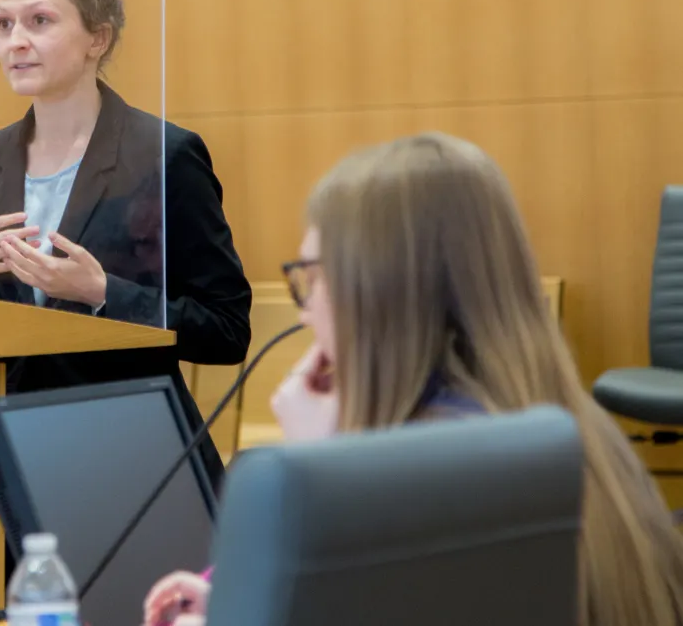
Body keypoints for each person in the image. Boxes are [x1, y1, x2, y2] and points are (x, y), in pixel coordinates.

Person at [143, 133, 683, 626]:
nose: (306, 312)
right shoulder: (581, 433)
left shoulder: (406, 484)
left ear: (373, 293)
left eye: (310, 277)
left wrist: (326, 471)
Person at [0, 0, 252, 483]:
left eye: (39, 21)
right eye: (3, 24)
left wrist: (103, 293)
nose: (15, 42)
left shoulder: (163, 154)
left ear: (99, 38)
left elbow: (228, 331)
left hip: (130, 458)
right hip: (7, 456)